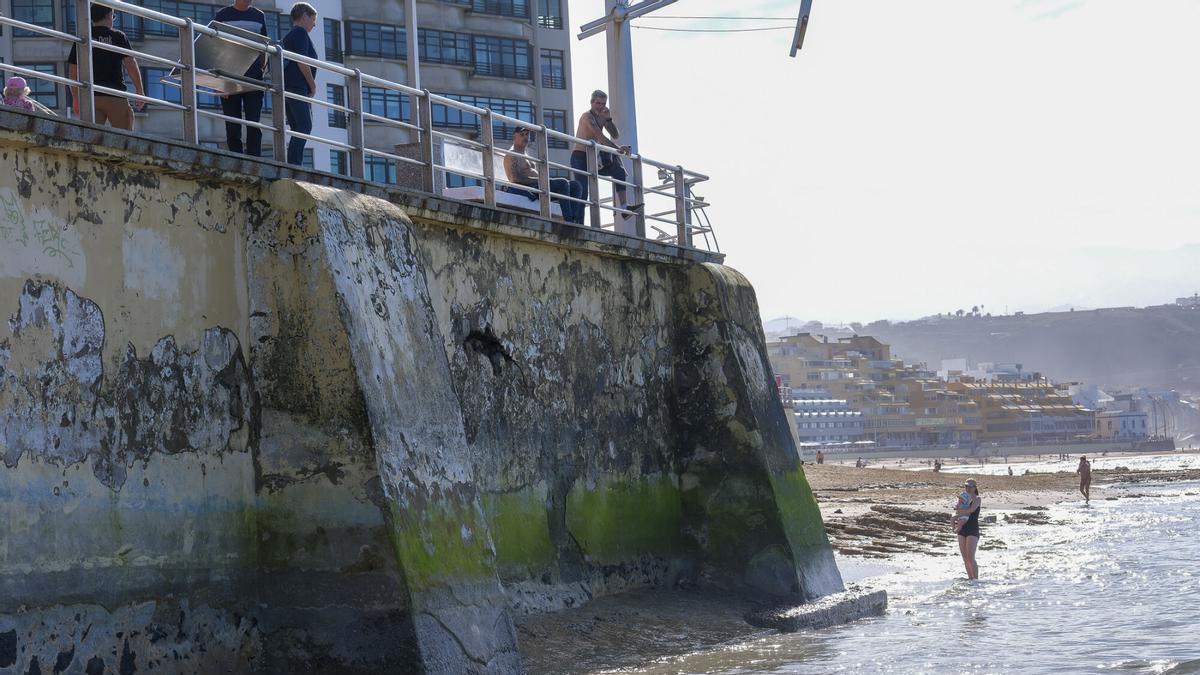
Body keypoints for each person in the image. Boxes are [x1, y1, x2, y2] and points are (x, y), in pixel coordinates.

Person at [67, 4, 145, 130]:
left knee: (92, 136)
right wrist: (139, 90)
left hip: (92, 95)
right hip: (115, 93)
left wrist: (76, 97)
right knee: (125, 137)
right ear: (109, 16)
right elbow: (131, 64)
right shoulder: (119, 36)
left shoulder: (84, 38)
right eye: (113, 16)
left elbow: (73, 69)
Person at [571, 90, 640, 223]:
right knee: (583, 191)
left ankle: (624, 208)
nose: (600, 106)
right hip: (580, 158)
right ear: (592, 103)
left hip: (595, 158)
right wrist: (618, 149)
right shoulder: (587, 117)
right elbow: (600, 137)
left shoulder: (602, 116)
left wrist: (608, 119)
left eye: (603, 103)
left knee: (618, 169)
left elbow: (615, 135)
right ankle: (577, 223)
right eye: (598, 103)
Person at [214, 0, 269, 156]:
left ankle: (255, 159)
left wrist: (262, 69)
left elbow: (264, 45)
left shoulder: (259, 16)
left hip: (254, 78)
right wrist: (219, 83)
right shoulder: (222, 15)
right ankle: (236, 157)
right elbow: (214, 46)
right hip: (229, 78)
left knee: (253, 123)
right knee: (232, 124)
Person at [502, 126, 583, 224]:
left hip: (539, 186)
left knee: (576, 186)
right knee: (563, 183)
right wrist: (537, 180)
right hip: (531, 189)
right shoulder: (511, 155)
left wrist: (540, 180)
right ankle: (568, 221)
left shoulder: (527, 154)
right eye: (522, 134)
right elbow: (513, 179)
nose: (525, 137)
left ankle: (574, 220)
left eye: (527, 134)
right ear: (514, 136)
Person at [280, 2, 318, 166]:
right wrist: (313, 85)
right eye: (313, 19)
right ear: (304, 16)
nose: (314, 24)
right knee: (304, 126)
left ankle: (294, 164)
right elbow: (302, 62)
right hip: (296, 87)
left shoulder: (290, 36)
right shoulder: (300, 33)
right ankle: (295, 165)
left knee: (298, 128)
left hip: (289, 87)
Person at [955, 478, 982, 580]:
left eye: (970, 486)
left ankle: (976, 580)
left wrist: (960, 509)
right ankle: (971, 580)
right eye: (966, 486)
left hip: (972, 529)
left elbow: (971, 510)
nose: (968, 488)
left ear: (975, 488)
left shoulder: (977, 499)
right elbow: (957, 510)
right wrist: (959, 510)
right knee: (965, 558)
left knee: (971, 558)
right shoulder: (962, 497)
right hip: (962, 528)